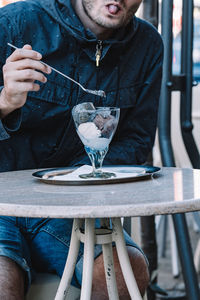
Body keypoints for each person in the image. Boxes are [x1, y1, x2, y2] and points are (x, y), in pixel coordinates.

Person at [0, 0, 163, 299]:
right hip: (1, 205)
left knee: (128, 272)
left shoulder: (147, 44)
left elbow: (136, 141)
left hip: (74, 210)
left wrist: (79, 178)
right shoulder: (13, 23)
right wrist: (5, 102)